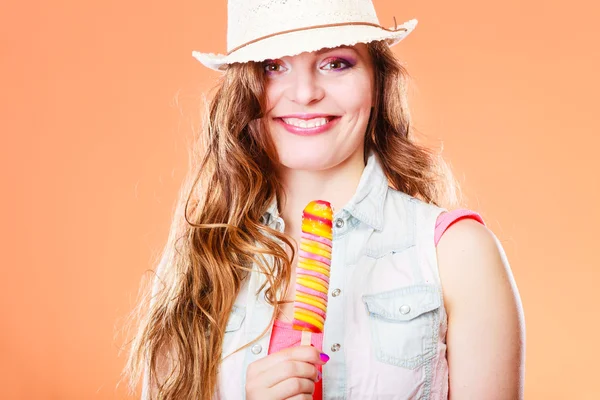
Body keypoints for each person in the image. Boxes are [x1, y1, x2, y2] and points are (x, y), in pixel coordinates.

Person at [124, 0, 525, 399]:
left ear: (377, 82)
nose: (305, 93)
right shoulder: (201, 257)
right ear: (244, 89)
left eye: (335, 63)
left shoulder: (458, 253)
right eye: (272, 66)